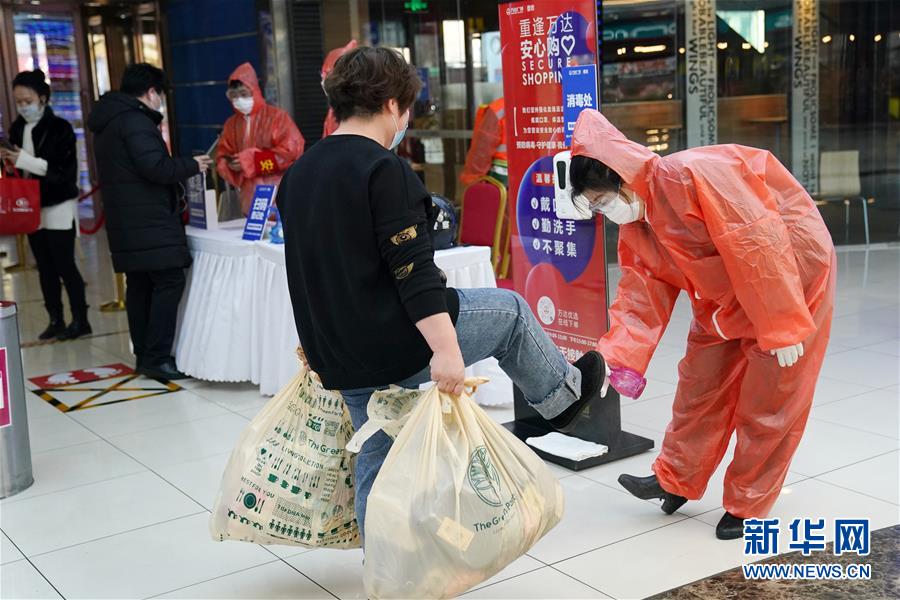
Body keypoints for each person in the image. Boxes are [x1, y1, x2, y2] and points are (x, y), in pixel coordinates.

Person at [278, 47, 608, 540]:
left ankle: (385, 565)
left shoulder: (299, 174)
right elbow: (412, 270)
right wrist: (446, 349)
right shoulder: (383, 169)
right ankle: (562, 398)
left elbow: (305, 269)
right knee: (510, 311)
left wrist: (315, 343)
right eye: (407, 108)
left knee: (376, 451)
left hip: (338, 350)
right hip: (394, 340)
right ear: (392, 104)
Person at [567, 109, 836, 540]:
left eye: (602, 200)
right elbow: (639, 296)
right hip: (722, 295)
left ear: (624, 178)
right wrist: (615, 359)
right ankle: (675, 480)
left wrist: (783, 323)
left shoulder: (691, 175)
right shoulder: (639, 224)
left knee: (771, 399)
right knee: (699, 384)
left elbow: (756, 241)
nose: (606, 211)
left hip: (793, 277)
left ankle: (747, 501)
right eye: (595, 206)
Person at [87, 63, 211, 381]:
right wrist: (191, 165)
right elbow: (155, 167)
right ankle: (157, 356)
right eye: (160, 95)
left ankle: (144, 354)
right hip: (149, 220)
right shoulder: (135, 121)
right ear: (152, 92)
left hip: (128, 220)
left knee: (140, 284)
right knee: (169, 280)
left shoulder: (110, 120)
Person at [2, 69, 90, 341]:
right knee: (44, 265)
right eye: (18, 101)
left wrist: (23, 160)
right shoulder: (17, 129)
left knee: (64, 263)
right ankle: (55, 318)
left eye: (27, 100)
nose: (23, 106)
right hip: (30, 206)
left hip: (58, 203)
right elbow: (17, 169)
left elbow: (61, 173)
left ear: (42, 98)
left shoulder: (60, 128)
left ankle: (80, 319)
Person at [216, 63, 304, 215]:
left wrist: (251, 161)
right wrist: (231, 165)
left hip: (277, 196)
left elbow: (291, 152)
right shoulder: (231, 124)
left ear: (254, 91)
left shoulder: (277, 117)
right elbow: (222, 155)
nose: (238, 99)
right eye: (234, 96)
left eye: (243, 94)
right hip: (248, 201)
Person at [460, 96, 507, 187]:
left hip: (501, 179)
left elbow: (482, 150)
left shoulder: (499, 108)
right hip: (532, 176)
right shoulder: (536, 104)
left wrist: (472, 179)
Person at [321, 39, 358, 138]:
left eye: (327, 75)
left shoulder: (356, 112)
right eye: (323, 75)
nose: (324, 81)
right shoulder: (334, 112)